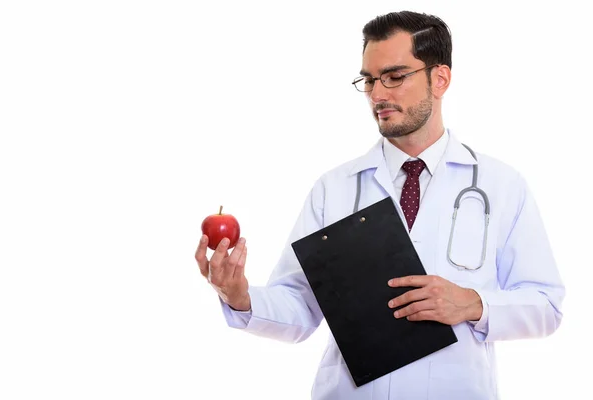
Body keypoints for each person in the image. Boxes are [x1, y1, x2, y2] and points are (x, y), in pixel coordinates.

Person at [195, 10, 565, 400]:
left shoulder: (501, 186)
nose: (377, 94)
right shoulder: (333, 188)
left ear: (439, 79)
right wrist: (239, 295)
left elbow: (546, 306)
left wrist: (473, 304)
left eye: (394, 76)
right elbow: (300, 308)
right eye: (369, 80)